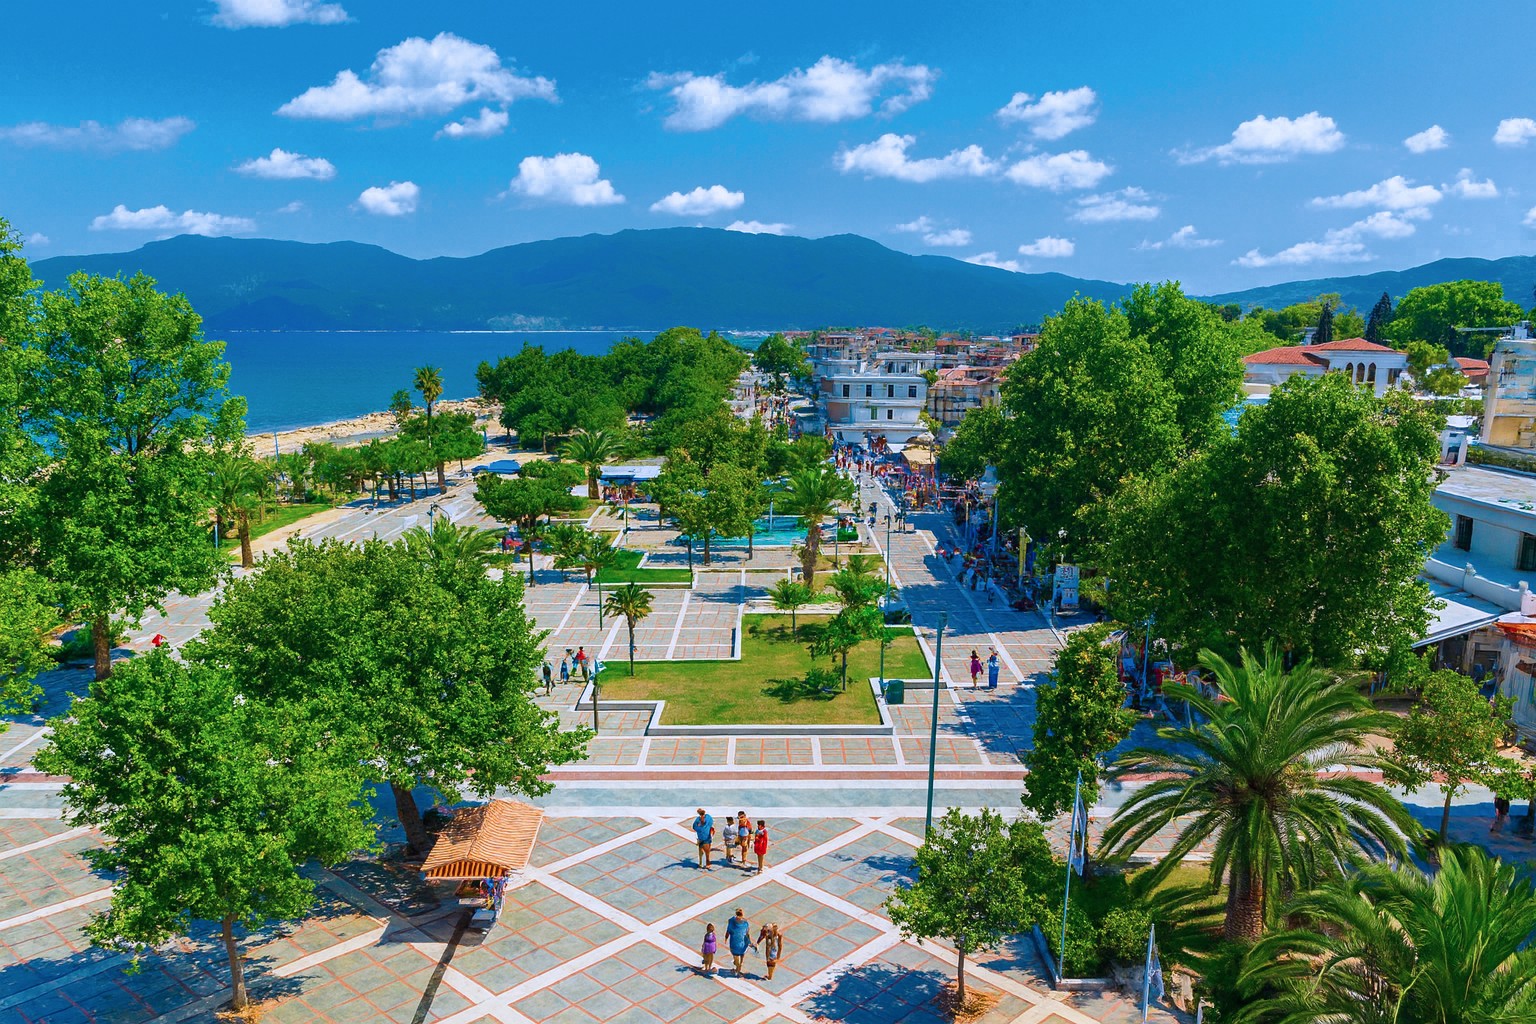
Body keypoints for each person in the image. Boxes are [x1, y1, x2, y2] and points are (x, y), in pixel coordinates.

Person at [724, 908, 755, 976]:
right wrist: (749, 942)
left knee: (735, 955)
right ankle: (738, 969)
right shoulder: (745, 923)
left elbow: (728, 931)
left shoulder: (731, 921)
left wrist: (726, 938)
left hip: (735, 941)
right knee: (741, 955)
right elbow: (747, 933)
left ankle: (737, 970)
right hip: (743, 942)